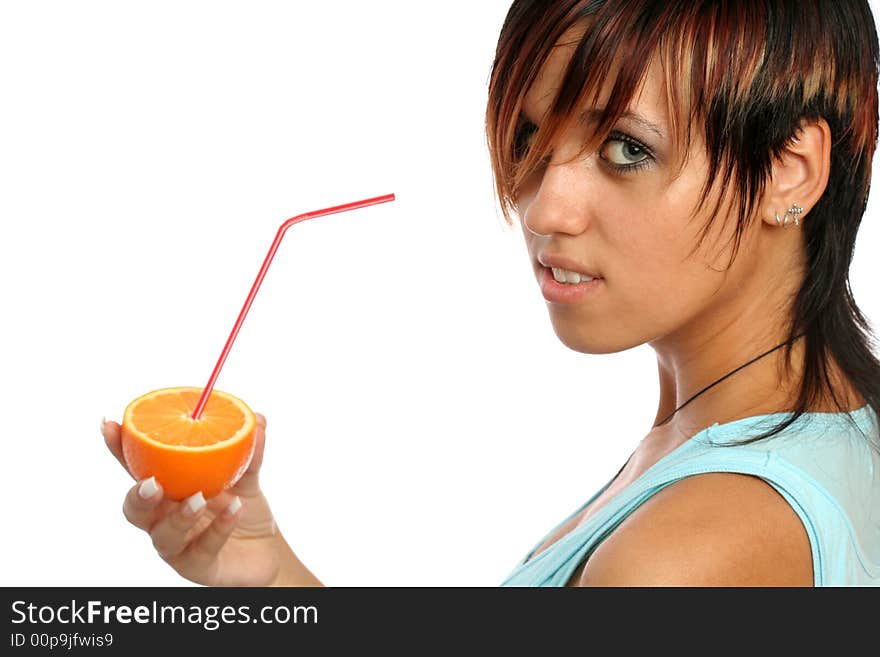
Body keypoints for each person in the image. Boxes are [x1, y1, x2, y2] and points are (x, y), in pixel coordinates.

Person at [103, 0, 880, 587]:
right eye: (531, 138)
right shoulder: (802, 432)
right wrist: (271, 575)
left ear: (791, 171)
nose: (544, 207)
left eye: (625, 148)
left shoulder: (686, 551)